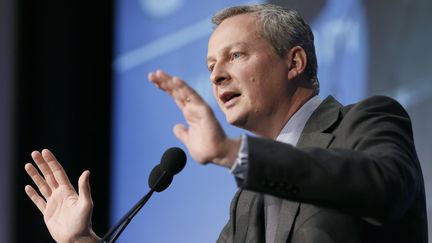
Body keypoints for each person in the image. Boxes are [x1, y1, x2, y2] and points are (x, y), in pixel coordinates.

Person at [24, 4, 427, 243]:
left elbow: (383, 189)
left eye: (235, 56)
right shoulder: (247, 202)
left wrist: (236, 153)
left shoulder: (369, 119)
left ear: (295, 62)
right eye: (211, 66)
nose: (216, 76)